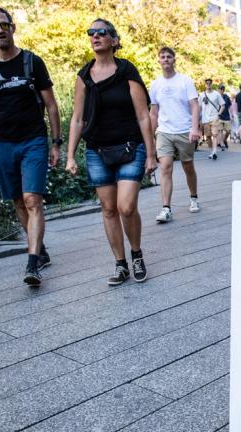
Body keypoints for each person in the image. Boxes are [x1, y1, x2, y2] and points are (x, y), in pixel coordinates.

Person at [0, 7, 61, 286]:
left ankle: (32, 265)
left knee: (32, 199)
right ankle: (39, 249)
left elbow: (52, 105)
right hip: (4, 142)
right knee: (17, 200)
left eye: (4, 25)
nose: (0, 30)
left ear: (13, 27)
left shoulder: (32, 62)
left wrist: (56, 143)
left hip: (34, 140)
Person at [65, 19, 156, 285]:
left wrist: (151, 154)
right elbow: (77, 119)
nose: (95, 36)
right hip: (97, 150)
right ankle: (120, 264)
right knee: (108, 209)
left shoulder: (127, 71)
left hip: (130, 146)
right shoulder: (83, 77)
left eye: (101, 32)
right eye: (91, 33)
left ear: (114, 40)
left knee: (125, 207)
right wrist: (71, 155)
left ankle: (136, 254)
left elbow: (143, 116)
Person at [148, 46, 202, 223]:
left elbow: (194, 106)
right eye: (162, 57)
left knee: (188, 166)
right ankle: (166, 208)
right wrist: (150, 135)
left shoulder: (185, 81)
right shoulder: (155, 84)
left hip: (184, 131)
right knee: (165, 167)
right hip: (164, 132)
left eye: (168, 57)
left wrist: (195, 128)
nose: (165, 59)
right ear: (159, 60)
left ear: (174, 60)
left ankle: (193, 197)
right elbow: (154, 112)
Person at [200, 78, 223, 160]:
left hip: (214, 118)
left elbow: (222, 105)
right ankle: (211, 150)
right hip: (205, 119)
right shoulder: (202, 95)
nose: (208, 85)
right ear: (205, 85)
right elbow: (199, 107)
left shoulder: (216, 94)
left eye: (210, 83)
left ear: (212, 84)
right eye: (207, 83)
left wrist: (219, 113)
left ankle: (214, 152)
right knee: (208, 136)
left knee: (215, 135)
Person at [218, 84, 232, 149]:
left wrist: (231, 114)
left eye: (222, 89)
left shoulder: (226, 97)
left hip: (226, 116)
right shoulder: (217, 97)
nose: (221, 90)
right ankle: (222, 144)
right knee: (220, 130)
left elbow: (229, 106)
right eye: (220, 89)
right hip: (219, 116)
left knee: (228, 131)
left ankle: (224, 140)